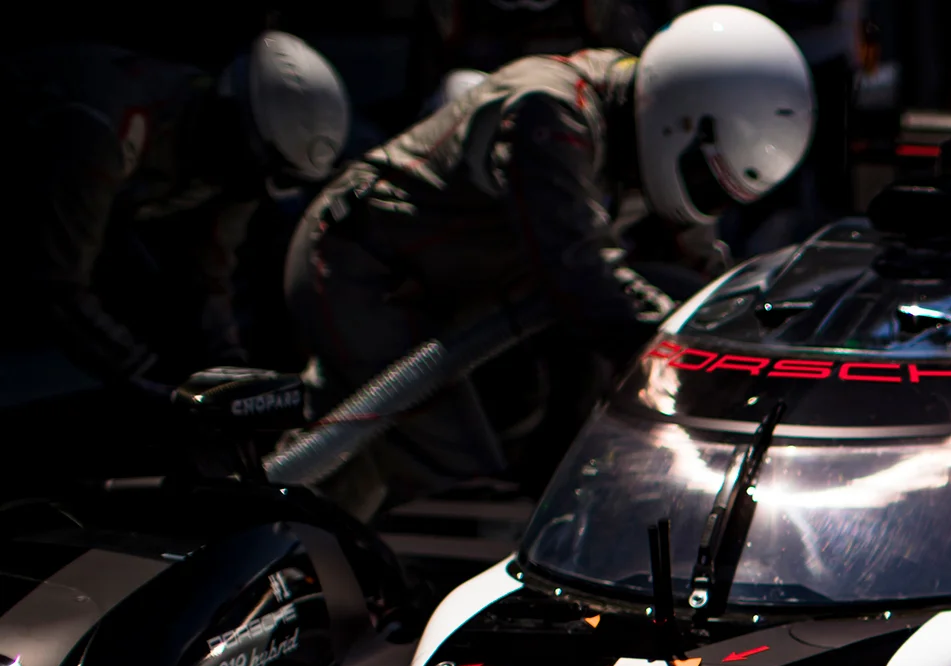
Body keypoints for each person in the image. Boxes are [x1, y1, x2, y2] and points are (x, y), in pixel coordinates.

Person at [284, 5, 814, 516]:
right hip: (366, 269)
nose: (703, 199)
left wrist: (764, 350)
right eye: (704, 177)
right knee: (452, 472)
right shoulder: (551, 110)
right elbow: (581, 275)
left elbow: (700, 272)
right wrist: (702, 366)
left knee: (504, 422)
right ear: (681, 119)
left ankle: (322, 554)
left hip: (459, 289)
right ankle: (312, 562)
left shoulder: (647, 124)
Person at [3, 32, 349, 395]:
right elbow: (57, 284)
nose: (248, 195)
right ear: (230, 126)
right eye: (251, 174)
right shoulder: (102, 130)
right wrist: (151, 377)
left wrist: (232, 368)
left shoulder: (238, 160)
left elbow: (208, 271)